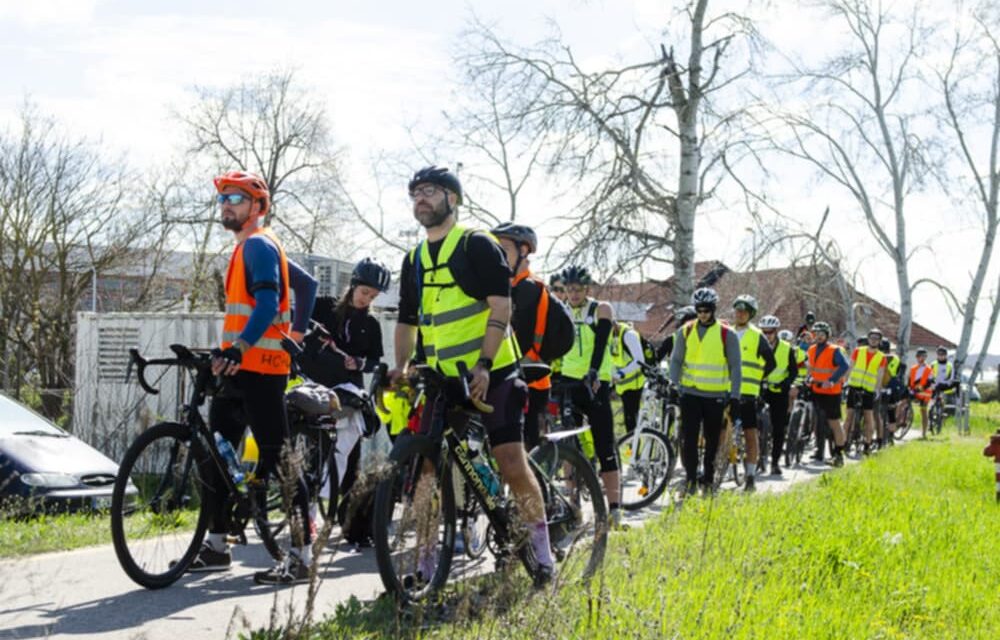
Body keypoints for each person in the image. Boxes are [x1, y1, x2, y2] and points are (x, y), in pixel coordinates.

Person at [390, 166, 553, 585]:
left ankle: (543, 553)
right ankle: (425, 564)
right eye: (415, 192)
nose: (420, 198)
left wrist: (484, 363)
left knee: (510, 461)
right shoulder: (413, 260)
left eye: (429, 190)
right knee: (426, 469)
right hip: (444, 380)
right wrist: (403, 366)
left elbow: (502, 307)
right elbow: (407, 321)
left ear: (453, 199)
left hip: (493, 372)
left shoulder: (476, 244)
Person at [201, 170, 318, 585]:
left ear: (257, 206)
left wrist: (248, 346)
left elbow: (268, 305)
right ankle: (217, 545)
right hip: (238, 369)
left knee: (280, 460)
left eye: (236, 198)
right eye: (223, 199)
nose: (226, 205)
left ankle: (302, 557)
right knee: (216, 453)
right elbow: (307, 286)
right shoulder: (246, 248)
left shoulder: (259, 246)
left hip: (262, 371)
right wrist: (232, 350)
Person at [299, 257, 390, 548]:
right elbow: (299, 323)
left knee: (351, 460)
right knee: (316, 453)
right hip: (315, 387)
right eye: (364, 292)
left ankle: (350, 523)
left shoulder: (371, 324)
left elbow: (375, 361)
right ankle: (307, 517)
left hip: (349, 393)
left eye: (373, 297)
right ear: (352, 286)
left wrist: (359, 362)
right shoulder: (323, 307)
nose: (366, 300)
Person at [557, 265, 623, 525]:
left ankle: (614, 508)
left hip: (595, 382)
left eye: (578, 289)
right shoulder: (561, 310)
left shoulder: (601, 309)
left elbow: (600, 343)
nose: (573, 294)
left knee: (604, 443)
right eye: (569, 289)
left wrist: (594, 371)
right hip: (569, 381)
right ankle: (573, 505)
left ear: (587, 289)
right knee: (568, 444)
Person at [668, 287, 742, 496]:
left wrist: (735, 397)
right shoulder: (685, 331)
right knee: (689, 440)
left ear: (714, 309)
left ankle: (708, 480)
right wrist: (673, 384)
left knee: (711, 441)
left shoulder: (727, 334)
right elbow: (676, 360)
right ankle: (691, 480)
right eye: (699, 310)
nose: (702, 314)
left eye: (706, 310)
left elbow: (736, 367)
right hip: (690, 394)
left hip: (715, 396)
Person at [491, 222, 551, 452]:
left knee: (523, 452)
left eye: (504, 250)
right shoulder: (508, 286)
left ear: (523, 251)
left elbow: (521, 339)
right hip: (512, 375)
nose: (498, 255)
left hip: (531, 378)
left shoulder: (529, 287)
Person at [730, 295, 775, 492]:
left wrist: (758, 378)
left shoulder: (757, 336)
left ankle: (750, 476)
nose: (740, 314)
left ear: (750, 314)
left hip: (748, 393)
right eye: (738, 310)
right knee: (720, 430)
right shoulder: (727, 332)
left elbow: (771, 363)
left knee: (750, 434)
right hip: (726, 391)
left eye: (744, 311)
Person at [805, 321, 850, 467]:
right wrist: (808, 378)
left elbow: (844, 366)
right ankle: (819, 450)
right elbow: (811, 367)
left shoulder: (835, 350)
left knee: (834, 422)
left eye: (822, 334)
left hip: (831, 391)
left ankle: (839, 454)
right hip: (816, 389)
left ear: (827, 335)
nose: (818, 336)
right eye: (816, 334)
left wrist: (831, 381)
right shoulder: (811, 349)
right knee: (817, 420)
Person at [760, 315, 799, 476]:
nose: (767, 335)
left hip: (779, 391)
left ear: (776, 332)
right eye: (764, 332)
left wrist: (786, 383)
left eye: (770, 332)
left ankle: (775, 462)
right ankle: (758, 455)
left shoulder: (786, 348)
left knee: (778, 428)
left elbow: (793, 371)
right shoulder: (757, 344)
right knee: (755, 422)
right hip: (761, 388)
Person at [843, 328, 887, 455]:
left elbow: (880, 374)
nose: (874, 340)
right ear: (868, 339)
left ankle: (867, 444)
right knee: (849, 416)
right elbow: (851, 366)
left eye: (876, 339)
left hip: (869, 390)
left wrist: (877, 389)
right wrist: (845, 381)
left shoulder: (881, 357)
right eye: (872, 338)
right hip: (854, 386)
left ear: (879, 341)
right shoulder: (858, 351)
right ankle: (843, 443)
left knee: (868, 418)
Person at [610, 321, 647, 434]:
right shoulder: (611, 335)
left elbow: (639, 361)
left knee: (630, 420)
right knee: (627, 419)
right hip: (621, 384)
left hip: (633, 383)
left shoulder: (629, 335)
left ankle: (634, 443)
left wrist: (621, 373)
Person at [878, 338, 903, 446]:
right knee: (891, 412)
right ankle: (891, 437)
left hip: (879, 385)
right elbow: (896, 373)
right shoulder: (895, 358)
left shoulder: (877, 356)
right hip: (892, 387)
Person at [907, 347, 934, 438]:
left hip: (925, 393)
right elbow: (909, 380)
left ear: (926, 357)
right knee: (903, 403)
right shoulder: (913, 368)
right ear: (916, 357)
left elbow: (929, 382)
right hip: (914, 391)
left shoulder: (929, 369)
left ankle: (924, 433)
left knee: (923, 411)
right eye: (919, 356)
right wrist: (909, 389)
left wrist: (920, 389)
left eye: (923, 356)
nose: (921, 358)